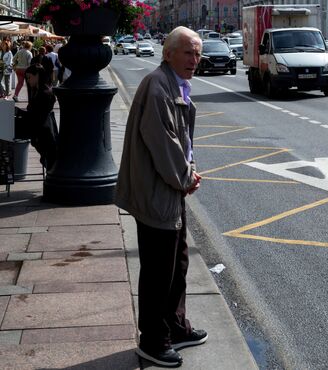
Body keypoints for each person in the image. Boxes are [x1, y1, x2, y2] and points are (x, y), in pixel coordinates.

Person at [115, 26, 207, 367]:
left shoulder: (175, 84)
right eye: (188, 52)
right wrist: (185, 177)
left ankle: (175, 325)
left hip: (169, 191)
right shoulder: (158, 86)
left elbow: (183, 141)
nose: (194, 59)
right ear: (168, 53)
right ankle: (153, 340)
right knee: (158, 271)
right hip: (156, 194)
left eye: (197, 53)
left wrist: (189, 171)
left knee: (177, 263)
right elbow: (163, 143)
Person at [16, 64, 58, 170]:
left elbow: (36, 117)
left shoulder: (44, 94)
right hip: (39, 130)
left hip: (41, 132)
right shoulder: (38, 91)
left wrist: (18, 112)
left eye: (29, 77)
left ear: (37, 75)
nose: (28, 81)